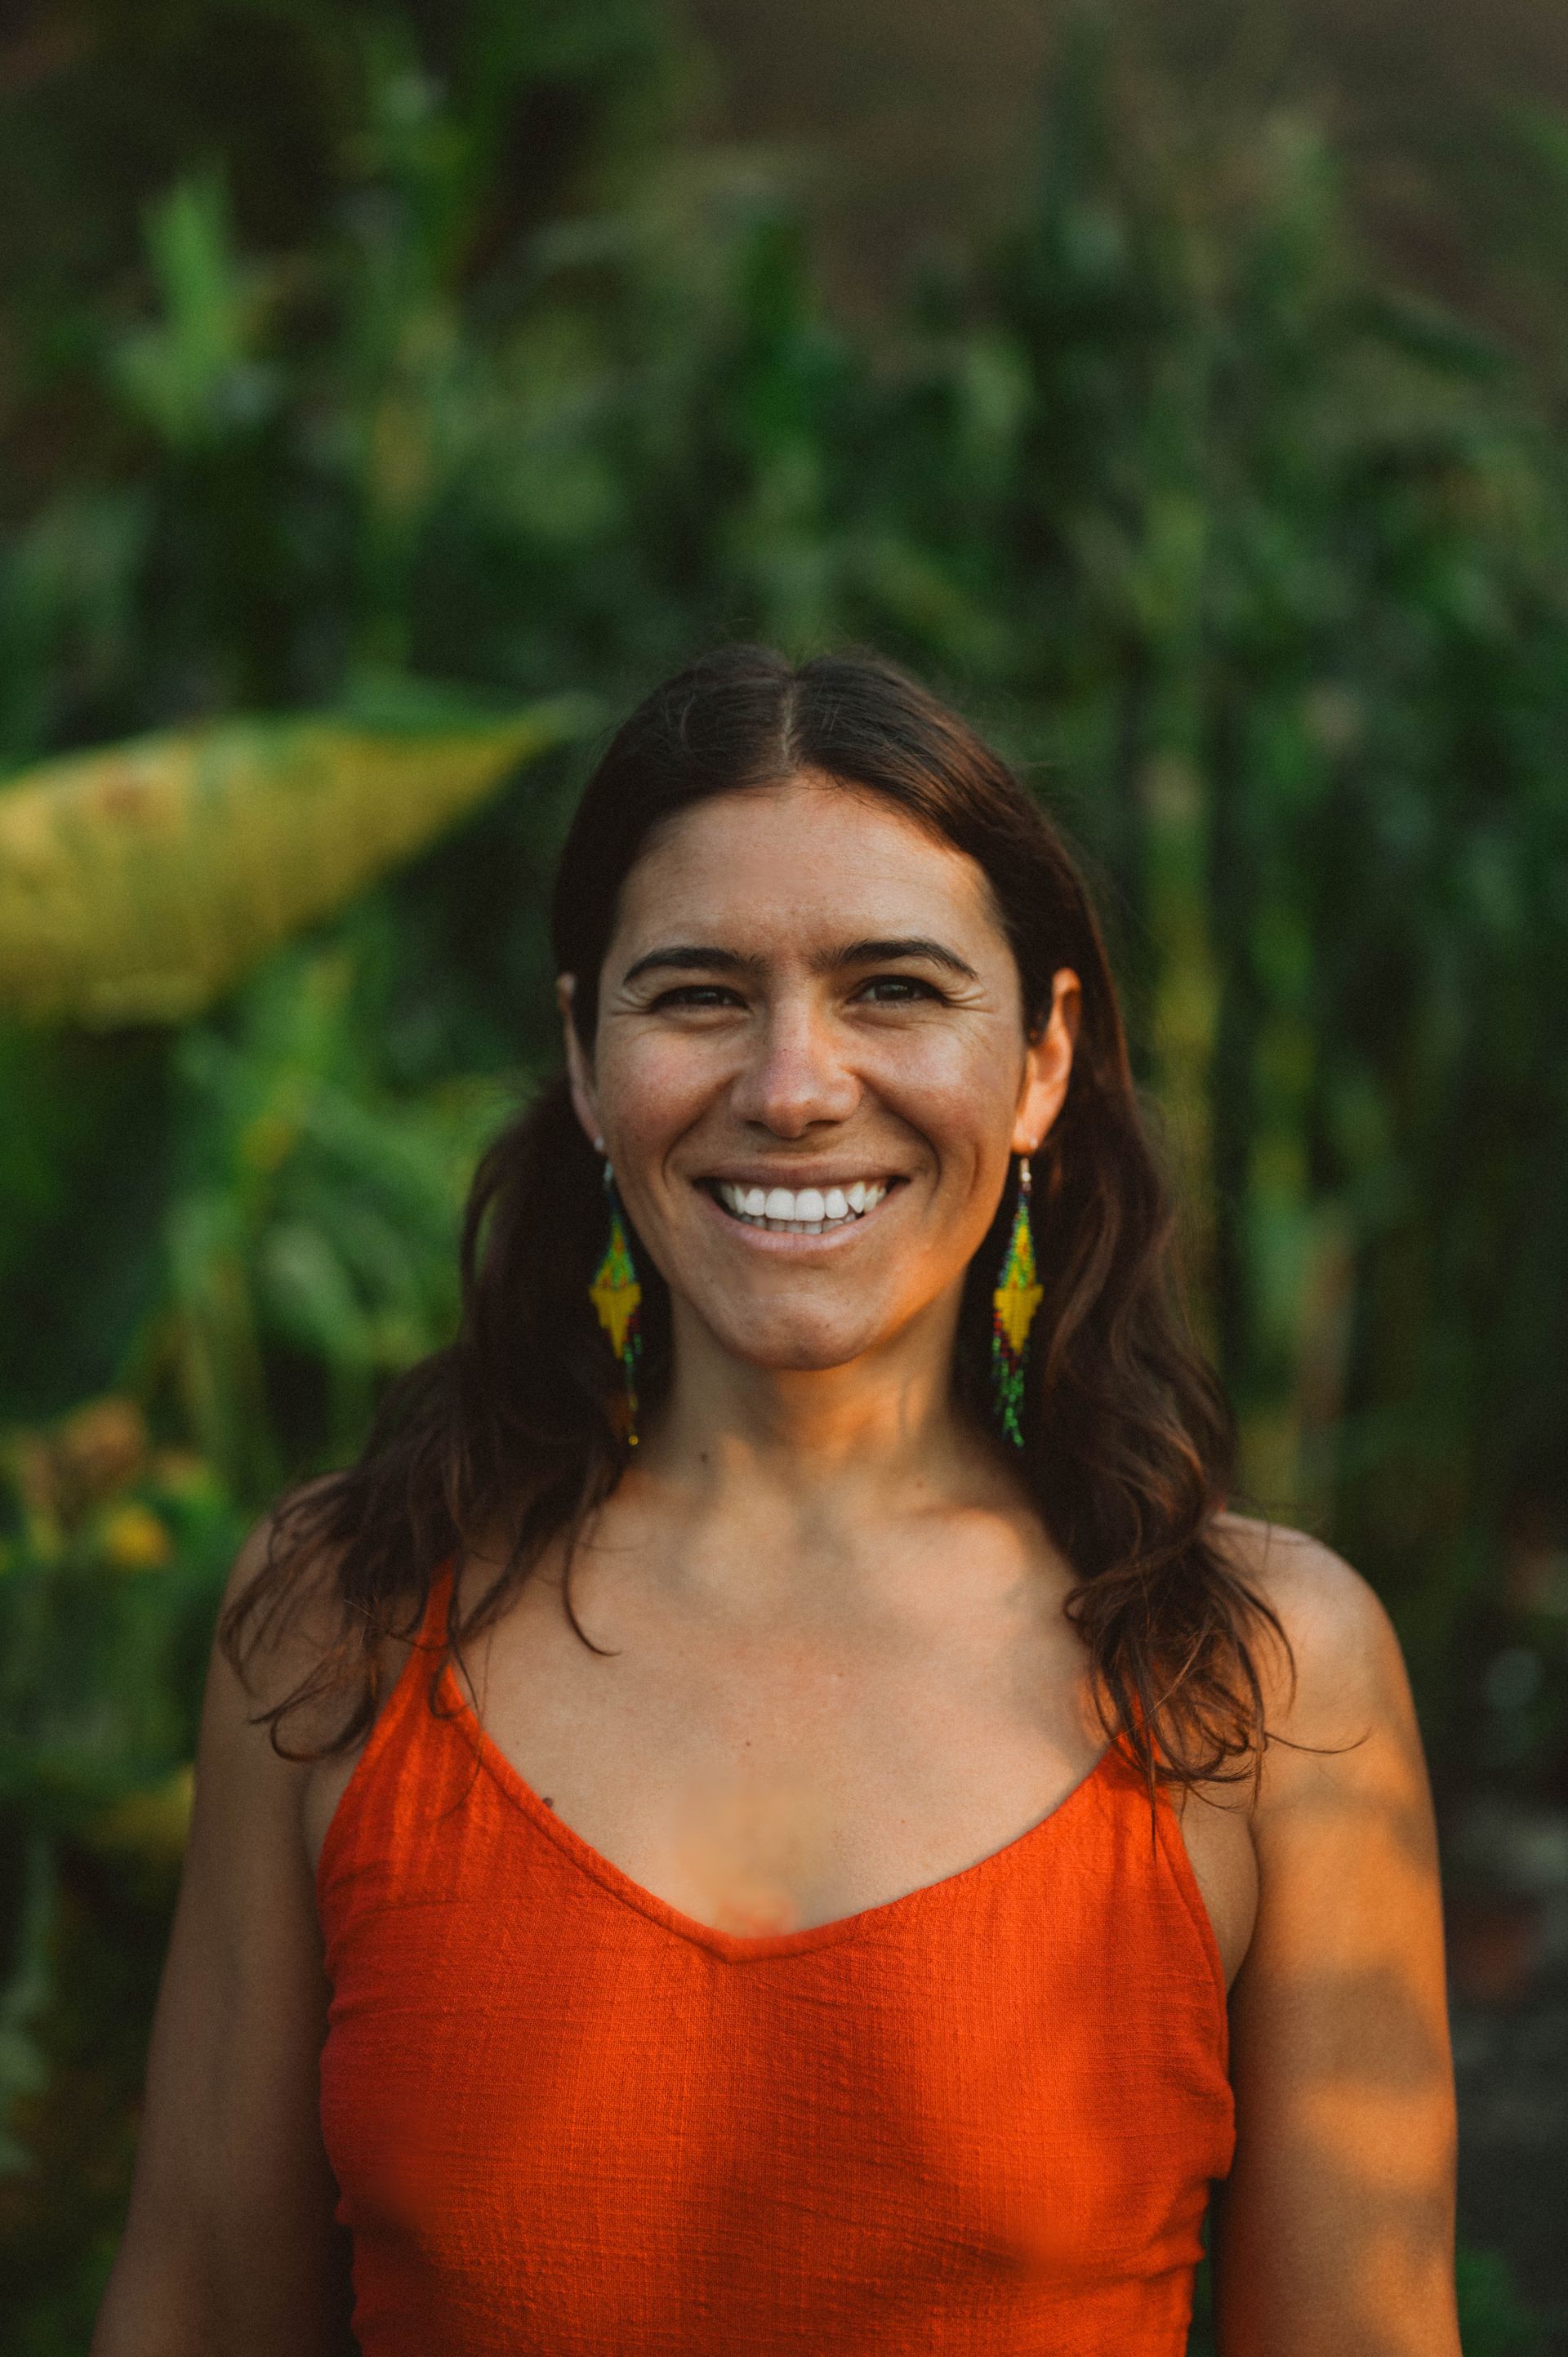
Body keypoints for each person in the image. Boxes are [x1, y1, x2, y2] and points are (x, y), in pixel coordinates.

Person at [92, 648, 1460, 2357]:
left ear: (1041, 1060)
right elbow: (202, 2309)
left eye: (893, 988)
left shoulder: (1264, 1674)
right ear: (585, 1061)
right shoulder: (343, 1616)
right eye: (698, 995)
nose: (796, 1085)